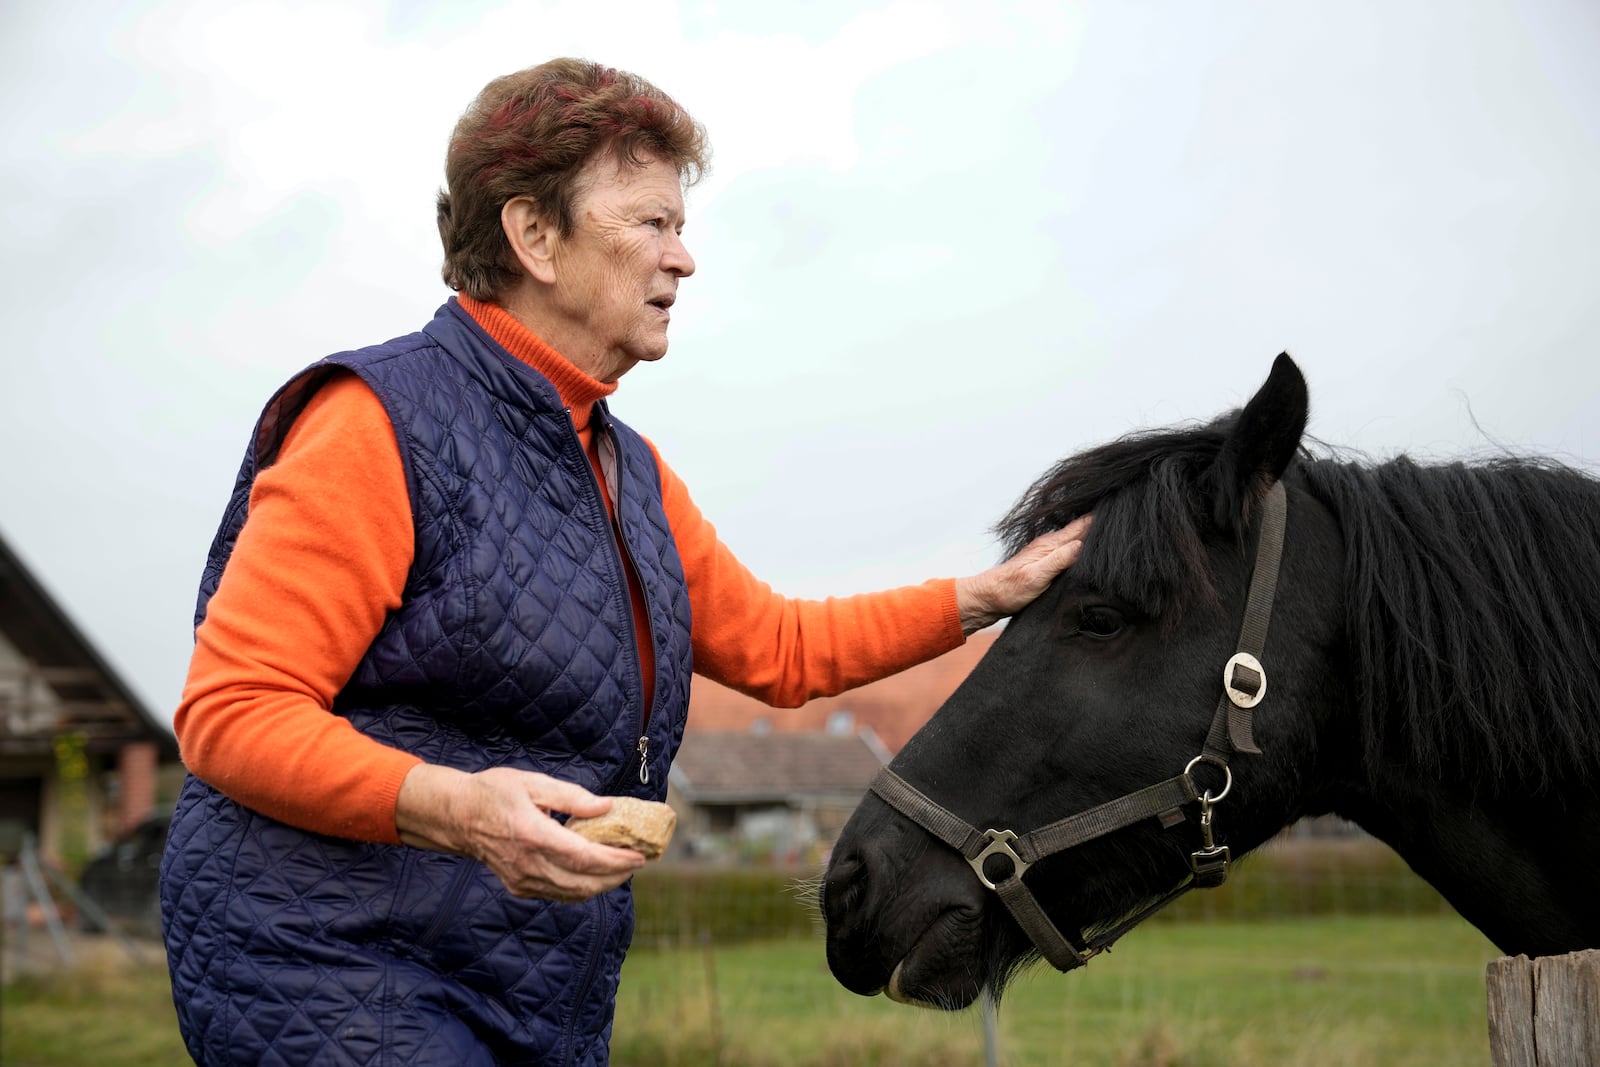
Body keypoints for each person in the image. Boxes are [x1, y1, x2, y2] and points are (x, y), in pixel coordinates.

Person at [158, 58, 1089, 1066]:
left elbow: (777, 646)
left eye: (680, 226)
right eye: (650, 223)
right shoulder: (375, 422)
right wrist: (463, 810)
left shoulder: (627, 471)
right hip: (326, 967)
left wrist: (985, 594)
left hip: (524, 979)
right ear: (534, 235)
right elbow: (233, 710)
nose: (682, 258)